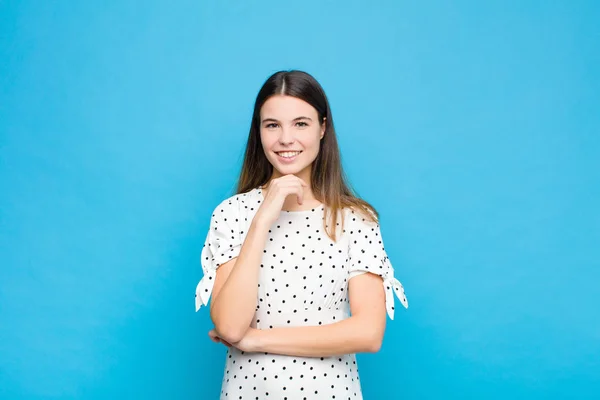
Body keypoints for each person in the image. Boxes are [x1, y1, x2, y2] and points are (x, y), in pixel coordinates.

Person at [194, 70, 408, 399]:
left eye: (301, 123)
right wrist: (262, 218)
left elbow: (369, 332)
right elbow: (230, 327)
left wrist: (257, 340)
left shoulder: (356, 219)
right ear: (259, 132)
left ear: (323, 127)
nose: (285, 139)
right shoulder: (233, 213)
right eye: (272, 125)